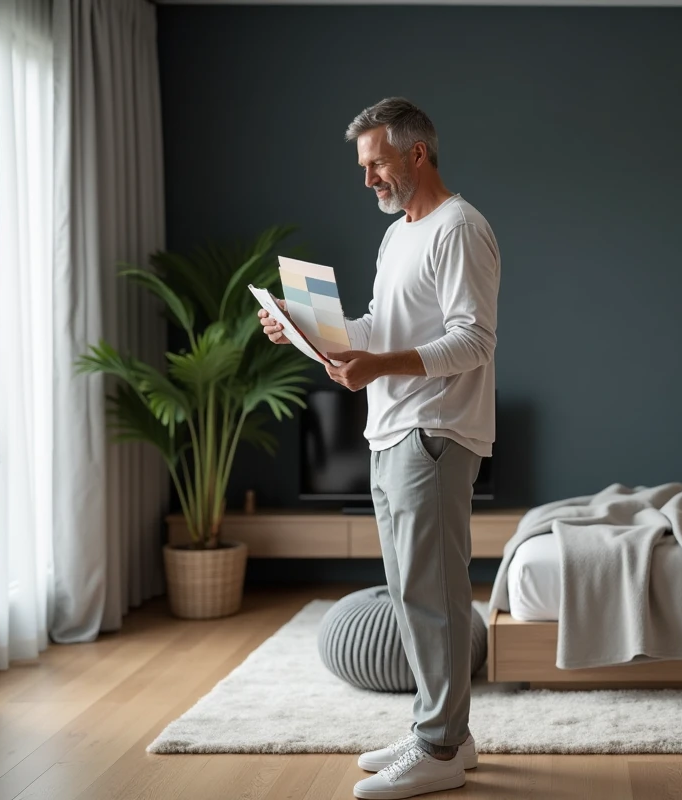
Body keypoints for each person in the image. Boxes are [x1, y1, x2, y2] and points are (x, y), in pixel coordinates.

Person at [259, 97, 499, 799]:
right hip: (390, 430)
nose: (367, 179)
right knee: (410, 593)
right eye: (363, 167)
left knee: (434, 594)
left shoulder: (460, 228)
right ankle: (445, 732)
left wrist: (376, 368)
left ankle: (439, 746)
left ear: (417, 153)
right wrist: (305, 327)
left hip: (434, 432)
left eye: (376, 164)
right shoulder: (399, 236)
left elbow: (474, 340)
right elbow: (375, 326)